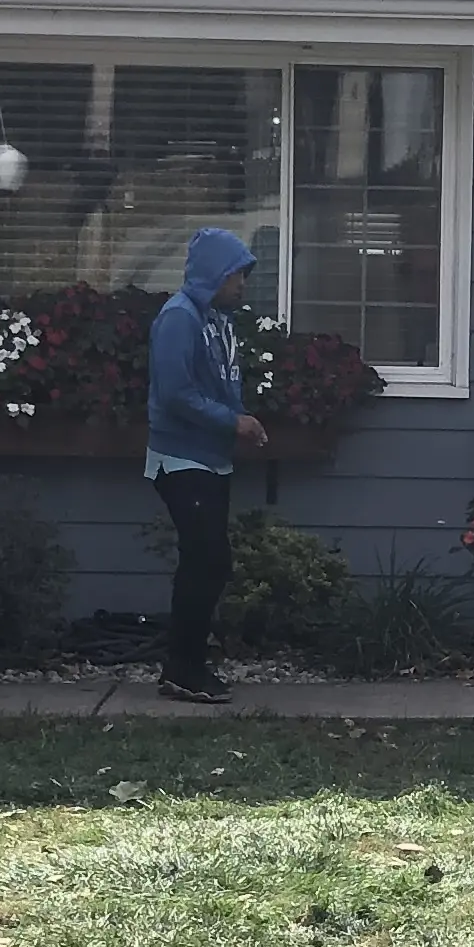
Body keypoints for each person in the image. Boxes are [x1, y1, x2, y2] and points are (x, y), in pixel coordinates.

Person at [146, 226, 271, 702]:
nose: (242, 284)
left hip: (210, 458)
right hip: (181, 457)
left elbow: (217, 383)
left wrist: (240, 422)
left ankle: (186, 665)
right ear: (214, 274)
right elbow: (175, 394)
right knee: (207, 560)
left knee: (208, 563)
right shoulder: (178, 318)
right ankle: (183, 669)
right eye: (237, 275)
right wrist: (232, 422)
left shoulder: (216, 319)